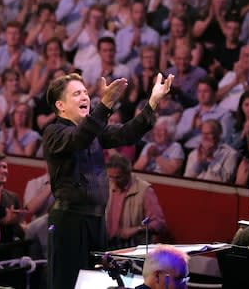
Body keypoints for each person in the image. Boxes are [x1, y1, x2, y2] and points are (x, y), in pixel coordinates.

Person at [43, 72, 173, 289]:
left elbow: (126, 134)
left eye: (85, 92)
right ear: (60, 105)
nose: (85, 97)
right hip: (69, 221)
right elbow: (79, 139)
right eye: (76, 94)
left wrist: (152, 102)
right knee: (67, 284)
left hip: (96, 222)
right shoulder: (54, 132)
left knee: (95, 285)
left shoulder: (93, 131)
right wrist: (106, 103)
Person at [105, 154, 166, 249]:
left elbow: (158, 223)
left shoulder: (144, 190)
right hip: (108, 245)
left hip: (133, 248)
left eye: (118, 178)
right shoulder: (107, 186)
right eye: (110, 177)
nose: (114, 182)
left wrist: (137, 229)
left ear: (128, 173)